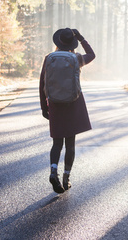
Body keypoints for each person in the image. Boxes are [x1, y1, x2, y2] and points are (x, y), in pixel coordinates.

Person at [39, 28, 95, 194]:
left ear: (58, 42)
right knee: (70, 144)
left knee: (57, 143)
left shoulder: (49, 58)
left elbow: (42, 84)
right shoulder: (77, 58)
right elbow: (92, 55)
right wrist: (82, 37)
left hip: (55, 104)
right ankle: (66, 177)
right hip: (73, 103)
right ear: (73, 43)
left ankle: (53, 172)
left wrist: (44, 107)